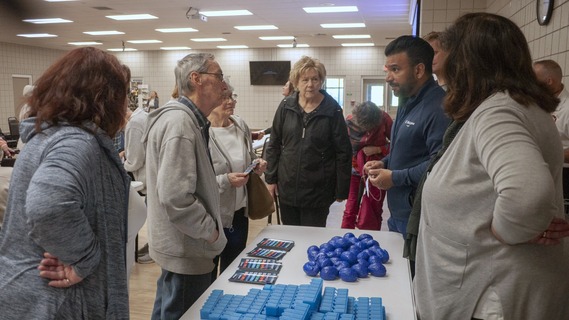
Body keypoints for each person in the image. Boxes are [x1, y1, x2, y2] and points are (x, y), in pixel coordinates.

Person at [413, 13, 569, 319]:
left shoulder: (498, 111)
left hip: (490, 297)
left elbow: (527, 194)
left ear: (467, 61)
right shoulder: (513, 105)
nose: (439, 64)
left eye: (446, 53)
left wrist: (510, 229)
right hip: (493, 286)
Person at [0, 47, 131, 319]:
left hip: (32, 296)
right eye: (123, 95)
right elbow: (49, 206)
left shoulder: (46, 136)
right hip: (61, 301)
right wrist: (85, 258)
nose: (126, 106)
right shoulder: (76, 141)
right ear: (105, 98)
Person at [142, 53, 228, 319]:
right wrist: (210, 231)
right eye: (219, 77)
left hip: (184, 245)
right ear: (197, 79)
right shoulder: (180, 124)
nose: (224, 85)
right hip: (187, 247)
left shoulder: (188, 121)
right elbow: (175, 197)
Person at [365, 35, 450, 238]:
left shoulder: (439, 108)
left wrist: (395, 177)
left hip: (420, 217)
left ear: (419, 70)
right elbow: (407, 150)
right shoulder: (407, 102)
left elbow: (441, 165)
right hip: (399, 211)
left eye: (396, 70)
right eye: (388, 70)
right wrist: (384, 163)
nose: (388, 78)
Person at [264, 55, 352, 227]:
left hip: (318, 190)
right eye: (305, 80)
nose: (310, 84)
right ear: (296, 81)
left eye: (315, 79)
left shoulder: (332, 110)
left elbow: (343, 152)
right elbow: (274, 144)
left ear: (321, 81)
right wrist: (270, 180)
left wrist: (342, 189)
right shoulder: (286, 106)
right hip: (287, 187)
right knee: (290, 236)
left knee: (312, 239)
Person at [208, 78, 268, 280]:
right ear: (210, 101)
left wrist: (257, 163)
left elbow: (249, 157)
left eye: (231, 96)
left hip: (239, 212)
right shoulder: (202, 132)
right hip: (213, 216)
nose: (230, 101)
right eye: (224, 97)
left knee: (233, 272)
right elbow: (199, 180)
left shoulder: (240, 125)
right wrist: (226, 180)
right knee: (209, 274)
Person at [341, 101, 392, 230]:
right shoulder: (350, 122)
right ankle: (344, 240)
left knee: (373, 208)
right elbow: (343, 147)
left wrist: (379, 149)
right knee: (350, 207)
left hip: (377, 169)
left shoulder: (384, 118)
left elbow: (398, 144)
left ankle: (370, 241)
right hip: (355, 168)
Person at [533, 59, 569, 212]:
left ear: (549, 81)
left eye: (534, 79)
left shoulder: (567, 109)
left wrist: (551, 155)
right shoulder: (537, 104)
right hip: (539, 171)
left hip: (562, 175)